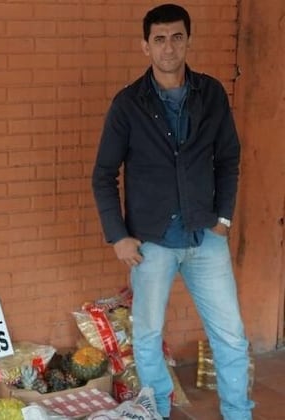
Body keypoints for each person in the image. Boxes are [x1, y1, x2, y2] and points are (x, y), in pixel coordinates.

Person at [91, 4, 253, 420]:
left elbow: (228, 159)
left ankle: (238, 413)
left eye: (177, 37)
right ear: (145, 46)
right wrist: (118, 235)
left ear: (188, 41)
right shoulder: (128, 104)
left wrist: (225, 219)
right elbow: (104, 174)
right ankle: (157, 410)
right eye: (159, 39)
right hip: (151, 242)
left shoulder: (211, 93)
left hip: (205, 237)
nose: (168, 47)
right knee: (147, 335)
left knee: (231, 336)